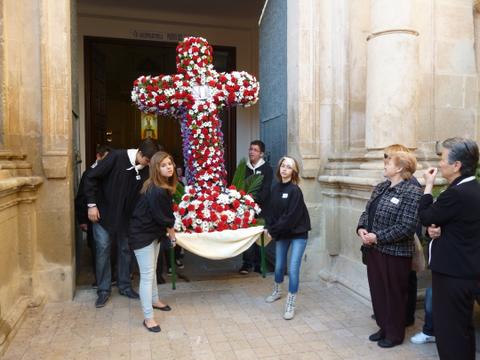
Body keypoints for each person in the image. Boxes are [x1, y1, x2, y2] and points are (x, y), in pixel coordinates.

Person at [419, 137, 480, 360]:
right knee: (462, 329)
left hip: (452, 274)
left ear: (457, 165)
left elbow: (425, 215)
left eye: (442, 158)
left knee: (449, 332)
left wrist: (427, 186)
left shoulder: (457, 193)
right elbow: (453, 224)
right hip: (465, 271)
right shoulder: (473, 188)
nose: (439, 163)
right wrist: (435, 230)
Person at [357, 151, 422, 348]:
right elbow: (367, 211)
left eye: (388, 163)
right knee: (378, 291)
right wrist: (361, 228)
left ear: (400, 168)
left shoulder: (412, 192)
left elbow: (407, 226)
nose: (384, 166)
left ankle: (394, 334)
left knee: (394, 293)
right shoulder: (380, 187)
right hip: (373, 249)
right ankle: (384, 326)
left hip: (396, 253)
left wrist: (378, 237)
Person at [84, 138, 159, 308]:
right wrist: (91, 205)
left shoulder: (146, 169)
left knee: (125, 250)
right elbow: (91, 178)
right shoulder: (115, 157)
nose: (148, 165)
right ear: (140, 153)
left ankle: (125, 286)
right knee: (103, 250)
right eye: (147, 161)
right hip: (103, 214)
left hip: (126, 218)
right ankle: (103, 290)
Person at [129, 151, 177, 333]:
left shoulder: (159, 186)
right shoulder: (157, 190)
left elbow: (162, 217)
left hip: (152, 233)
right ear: (156, 168)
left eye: (170, 163)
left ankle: (155, 300)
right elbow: (164, 217)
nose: (169, 167)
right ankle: (148, 318)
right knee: (148, 275)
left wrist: (168, 230)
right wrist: (172, 234)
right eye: (164, 165)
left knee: (153, 268)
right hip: (142, 235)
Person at [264, 156, 311, 320]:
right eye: (283, 166)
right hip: (283, 233)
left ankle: (290, 302)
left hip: (298, 233)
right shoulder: (275, 188)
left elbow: (290, 218)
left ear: (294, 171)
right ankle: (277, 291)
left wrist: (274, 231)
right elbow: (271, 212)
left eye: (288, 167)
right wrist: (268, 227)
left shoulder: (295, 190)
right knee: (278, 267)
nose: (284, 169)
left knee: (292, 269)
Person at [75, 145, 112, 287]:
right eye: (106, 159)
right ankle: (100, 281)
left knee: (107, 249)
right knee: (97, 249)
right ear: (98, 156)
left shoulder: (111, 172)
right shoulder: (88, 174)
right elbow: (81, 198)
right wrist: (82, 219)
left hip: (108, 217)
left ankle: (110, 278)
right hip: (93, 219)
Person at [239, 140, 273, 275]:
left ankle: (259, 264)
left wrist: (253, 199)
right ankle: (246, 264)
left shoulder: (267, 169)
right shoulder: (244, 168)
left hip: (262, 208)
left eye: (255, 150)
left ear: (261, 154)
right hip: (246, 209)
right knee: (246, 236)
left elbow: (266, 190)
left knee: (260, 236)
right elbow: (239, 185)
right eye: (250, 149)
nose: (251, 152)